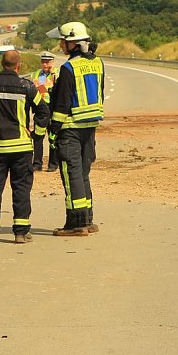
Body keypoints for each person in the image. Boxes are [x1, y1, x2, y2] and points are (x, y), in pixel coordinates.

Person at [0, 50, 50, 244]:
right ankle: (21, 232)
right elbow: (43, 111)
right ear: (18, 66)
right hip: (21, 149)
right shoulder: (27, 87)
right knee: (21, 189)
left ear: (1, 64)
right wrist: (37, 135)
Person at [45, 21, 105, 236]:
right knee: (83, 173)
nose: (61, 45)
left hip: (70, 128)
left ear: (72, 43)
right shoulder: (98, 63)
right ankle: (87, 219)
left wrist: (53, 129)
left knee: (72, 176)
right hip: (90, 128)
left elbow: (62, 104)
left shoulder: (69, 68)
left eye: (63, 41)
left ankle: (76, 224)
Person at [29, 51, 60, 172]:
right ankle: (37, 163)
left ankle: (53, 163)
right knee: (38, 137)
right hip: (40, 110)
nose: (45, 64)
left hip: (53, 109)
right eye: (43, 62)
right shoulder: (37, 74)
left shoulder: (57, 74)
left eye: (47, 62)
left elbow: (57, 89)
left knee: (53, 138)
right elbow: (38, 89)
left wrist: (52, 75)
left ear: (53, 62)